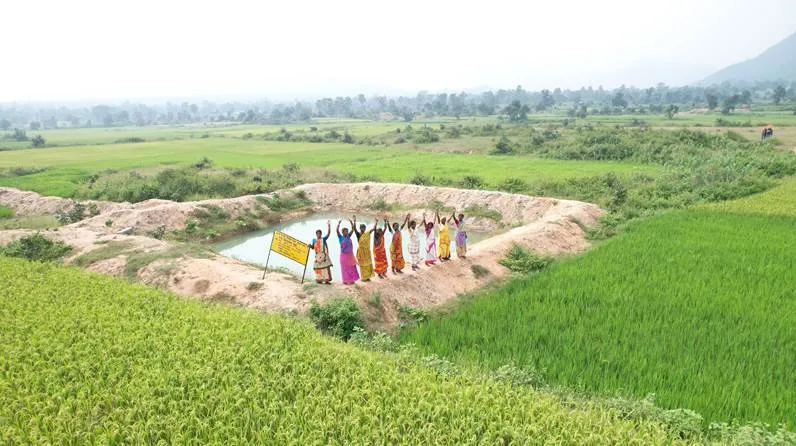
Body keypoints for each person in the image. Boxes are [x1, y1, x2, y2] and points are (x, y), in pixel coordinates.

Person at [336, 219, 360, 285]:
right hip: (344, 256)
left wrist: (352, 222)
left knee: (351, 267)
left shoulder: (349, 236)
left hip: (350, 255)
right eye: (345, 232)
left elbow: (353, 229)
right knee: (345, 268)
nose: (346, 233)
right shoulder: (340, 237)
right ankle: (345, 281)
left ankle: (351, 280)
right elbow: (337, 231)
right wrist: (338, 224)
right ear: (342, 232)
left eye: (347, 231)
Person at [353, 216, 375, 282]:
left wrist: (376, 222)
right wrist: (354, 221)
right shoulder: (358, 234)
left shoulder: (367, 234)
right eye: (362, 228)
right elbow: (354, 229)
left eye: (364, 228)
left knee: (368, 264)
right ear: (360, 228)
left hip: (367, 252)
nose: (363, 229)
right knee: (362, 265)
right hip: (361, 252)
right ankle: (363, 277)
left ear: (365, 228)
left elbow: (373, 229)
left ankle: (367, 277)